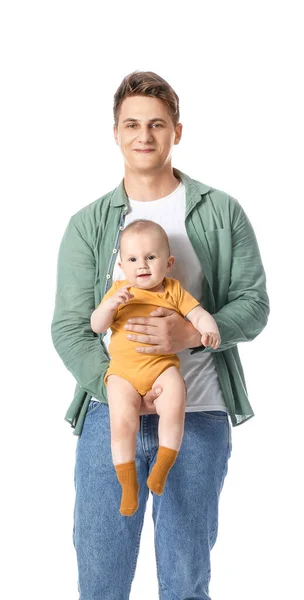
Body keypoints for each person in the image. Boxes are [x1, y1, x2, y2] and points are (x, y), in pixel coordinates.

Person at [51, 70, 269, 600]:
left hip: (198, 415)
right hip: (110, 415)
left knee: (185, 583)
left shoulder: (220, 211)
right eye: (132, 124)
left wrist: (188, 335)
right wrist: (117, 386)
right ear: (116, 133)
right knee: (100, 583)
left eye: (156, 124)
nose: (143, 135)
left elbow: (254, 305)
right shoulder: (90, 223)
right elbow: (69, 327)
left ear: (176, 131)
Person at [90, 218, 221, 516]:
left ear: (169, 262)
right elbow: (96, 325)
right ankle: (128, 485)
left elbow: (198, 314)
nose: (142, 265)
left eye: (151, 257)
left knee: (176, 398)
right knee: (122, 422)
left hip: (161, 368)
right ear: (122, 266)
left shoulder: (172, 290)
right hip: (124, 373)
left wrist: (209, 329)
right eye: (133, 259)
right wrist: (110, 306)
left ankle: (163, 464)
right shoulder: (120, 291)